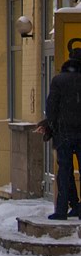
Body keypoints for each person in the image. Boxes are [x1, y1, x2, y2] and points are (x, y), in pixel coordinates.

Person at [44, 48, 81, 219]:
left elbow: (51, 107)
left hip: (64, 133)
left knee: (65, 171)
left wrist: (51, 127)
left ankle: (62, 209)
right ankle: (77, 207)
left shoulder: (58, 80)